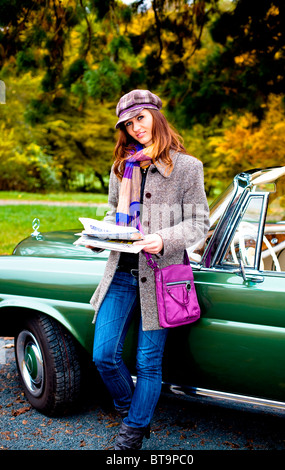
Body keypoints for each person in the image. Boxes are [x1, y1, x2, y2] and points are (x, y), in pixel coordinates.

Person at [90, 89, 210, 450]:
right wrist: (100, 236)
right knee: (104, 355)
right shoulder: (121, 167)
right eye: (128, 124)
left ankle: (132, 433)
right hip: (121, 273)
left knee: (148, 361)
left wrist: (164, 238)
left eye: (140, 118)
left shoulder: (188, 167)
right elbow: (113, 212)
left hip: (162, 279)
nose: (135, 128)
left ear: (156, 116)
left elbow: (199, 223)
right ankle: (133, 411)